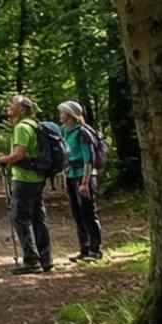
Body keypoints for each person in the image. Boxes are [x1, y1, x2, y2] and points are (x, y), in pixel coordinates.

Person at [0, 93, 54, 274]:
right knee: (38, 217)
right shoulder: (34, 125)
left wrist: (3, 159)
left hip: (24, 178)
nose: (8, 107)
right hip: (37, 177)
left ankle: (31, 260)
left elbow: (19, 154)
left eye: (11, 104)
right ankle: (45, 258)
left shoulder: (21, 127)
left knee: (20, 218)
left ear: (21, 109)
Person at [58, 100, 105, 262]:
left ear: (70, 115)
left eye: (63, 112)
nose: (60, 115)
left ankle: (95, 249)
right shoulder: (65, 131)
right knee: (77, 214)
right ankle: (84, 249)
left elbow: (88, 159)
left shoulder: (82, 132)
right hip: (71, 175)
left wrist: (85, 182)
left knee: (88, 213)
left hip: (84, 176)